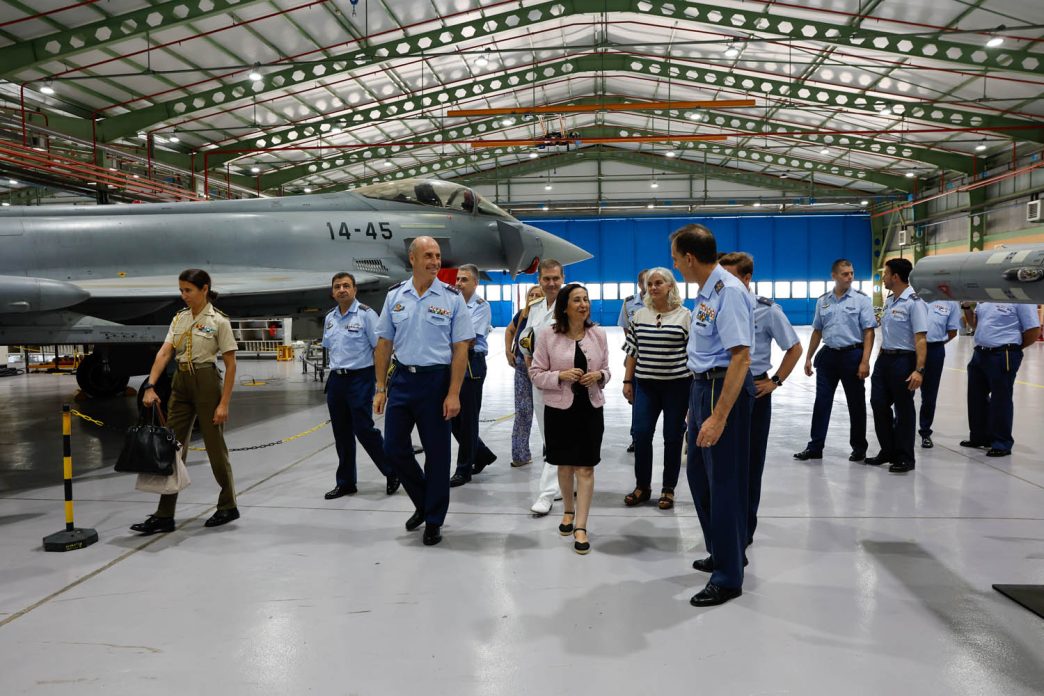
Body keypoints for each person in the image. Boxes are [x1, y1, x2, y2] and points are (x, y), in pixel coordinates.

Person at [671, 225, 755, 608]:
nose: (675, 266)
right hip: (703, 386)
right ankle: (724, 552)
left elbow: (740, 357)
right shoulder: (707, 292)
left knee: (723, 482)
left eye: (675, 259)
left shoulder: (730, 292)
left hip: (725, 389)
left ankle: (729, 577)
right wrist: (696, 405)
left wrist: (718, 417)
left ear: (689, 257)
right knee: (699, 478)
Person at [373, 237, 473, 546]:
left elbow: (460, 349)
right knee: (393, 449)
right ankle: (423, 501)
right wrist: (380, 388)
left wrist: (454, 393)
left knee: (438, 454)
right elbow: (384, 344)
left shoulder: (451, 297)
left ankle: (433, 519)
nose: (434, 261)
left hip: (436, 382)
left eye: (438, 255)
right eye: (428, 255)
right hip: (402, 379)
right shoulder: (395, 297)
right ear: (413, 259)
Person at [131, 269, 239, 535]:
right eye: (181, 290)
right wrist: (150, 384)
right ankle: (164, 514)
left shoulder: (218, 321)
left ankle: (228, 505)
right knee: (172, 449)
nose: (184, 295)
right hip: (181, 382)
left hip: (206, 382)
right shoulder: (179, 318)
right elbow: (165, 351)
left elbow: (231, 363)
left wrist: (223, 403)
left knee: (215, 448)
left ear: (204, 289)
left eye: (188, 290)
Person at [719, 253, 802, 545]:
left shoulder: (767, 311)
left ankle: (745, 530)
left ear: (746, 278)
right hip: (720, 388)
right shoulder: (716, 306)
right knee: (722, 464)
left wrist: (776, 381)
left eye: (730, 276)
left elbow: (794, 348)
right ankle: (726, 528)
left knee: (750, 463)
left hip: (753, 389)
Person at [529, 284, 610, 555]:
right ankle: (567, 510)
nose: (583, 304)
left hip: (589, 408)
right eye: (577, 300)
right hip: (559, 410)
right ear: (565, 306)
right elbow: (536, 373)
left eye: (586, 299)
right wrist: (560, 376)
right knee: (564, 465)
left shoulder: (598, 333)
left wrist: (599, 376)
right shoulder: (547, 335)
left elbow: (607, 370)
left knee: (586, 468)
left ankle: (581, 526)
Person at [321, 272, 398, 499]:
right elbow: (330, 347)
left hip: (360, 378)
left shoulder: (366, 315)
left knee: (364, 429)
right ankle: (346, 482)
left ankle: (392, 471)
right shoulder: (330, 318)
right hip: (336, 380)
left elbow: (380, 349)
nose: (342, 290)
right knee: (341, 433)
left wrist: (380, 384)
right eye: (337, 286)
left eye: (346, 285)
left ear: (355, 290)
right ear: (333, 292)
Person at [621, 267, 691, 510]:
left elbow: (693, 355)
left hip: (677, 387)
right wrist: (628, 381)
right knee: (641, 435)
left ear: (670, 286)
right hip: (646, 386)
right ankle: (643, 486)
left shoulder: (685, 317)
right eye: (650, 284)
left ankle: (668, 488)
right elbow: (632, 352)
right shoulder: (639, 315)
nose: (653, 287)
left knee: (672, 437)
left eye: (658, 283)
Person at [794, 259, 876, 462]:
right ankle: (815, 447)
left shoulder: (861, 300)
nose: (849, 277)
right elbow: (817, 331)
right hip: (828, 357)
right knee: (821, 402)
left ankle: (859, 447)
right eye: (845, 274)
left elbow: (869, 332)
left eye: (851, 273)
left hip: (852, 356)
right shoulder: (823, 301)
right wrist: (808, 357)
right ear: (834, 276)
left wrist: (865, 361)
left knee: (856, 404)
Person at [866, 258, 928, 473]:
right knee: (878, 403)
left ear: (895, 277)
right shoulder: (890, 300)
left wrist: (919, 370)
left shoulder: (914, 302)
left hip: (904, 360)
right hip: (885, 360)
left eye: (885, 274)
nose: (882, 278)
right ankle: (888, 450)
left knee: (903, 410)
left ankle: (905, 457)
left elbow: (920, 338)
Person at [960, 301, 1040, 456]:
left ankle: (1001, 443)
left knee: (1000, 399)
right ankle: (979, 437)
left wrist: (1013, 348)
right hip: (980, 353)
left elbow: (1033, 330)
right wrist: (966, 308)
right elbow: (975, 325)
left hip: (1003, 354)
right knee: (975, 398)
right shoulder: (986, 297)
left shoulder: (1019, 298)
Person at [518, 259, 566, 515]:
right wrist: (529, 366)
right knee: (549, 435)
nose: (551, 283)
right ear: (539, 280)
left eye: (555, 278)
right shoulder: (535, 307)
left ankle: (546, 494)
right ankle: (564, 482)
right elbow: (526, 339)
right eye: (546, 279)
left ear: (562, 278)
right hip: (539, 379)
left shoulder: (570, 303)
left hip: (563, 379)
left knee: (559, 436)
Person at [450, 264, 497, 487]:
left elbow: (469, 339)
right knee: (452, 420)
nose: (459, 283)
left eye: (464, 280)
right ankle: (482, 454)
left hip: (471, 364)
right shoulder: (450, 304)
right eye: (458, 279)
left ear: (475, 282)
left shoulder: (480, 306)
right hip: (451, 361)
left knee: (468, 419)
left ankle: (463, 469)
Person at [504, 285, 544, 468]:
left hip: (544, 369)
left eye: (538, 295)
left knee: (548, 412)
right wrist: (507, 350)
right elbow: (509, 330)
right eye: (531, 295)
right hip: (521, 367)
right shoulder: (522, 314)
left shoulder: (549, 316)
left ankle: (551, 453)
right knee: (523, 411)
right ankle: (520, 455)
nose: (534, 297)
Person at [918, 298, 961, 448]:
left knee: (929, 394)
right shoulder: (914, 295)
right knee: (904, 391)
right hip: (911, 348)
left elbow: (952, 332)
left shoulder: (951, 302)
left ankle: (925, 432)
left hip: (935, 349)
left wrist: (935, 345)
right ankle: (901, 427)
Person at [618, 269, 649, 453]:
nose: (650, 286)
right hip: (637, 359)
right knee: (637, 402)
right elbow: (626, 330)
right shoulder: (630, 303)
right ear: (639, 284)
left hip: (661, 361)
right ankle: (636, 437)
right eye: (646, 282)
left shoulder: (666, 301)